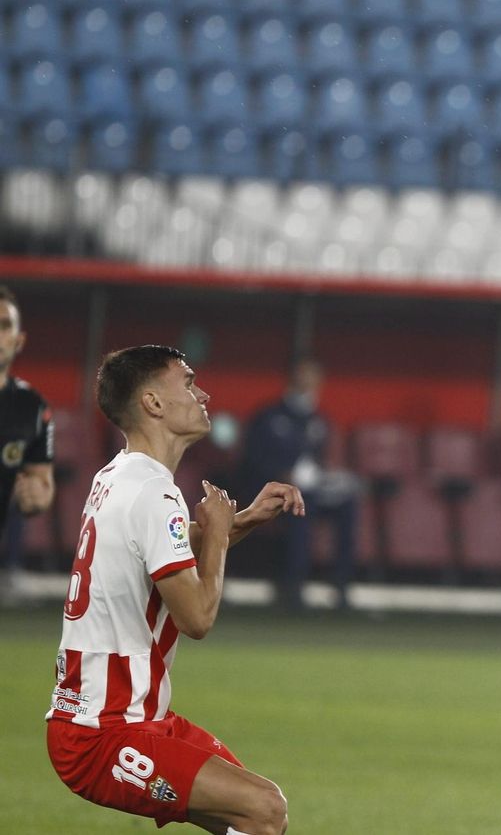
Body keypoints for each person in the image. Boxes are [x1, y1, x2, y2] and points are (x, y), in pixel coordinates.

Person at [46, 345, 305, 833]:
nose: (202, 392)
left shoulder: (119, 475)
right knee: (263, 808)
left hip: (129, 718)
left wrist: (239, 520)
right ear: (153, 403)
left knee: (255, 818)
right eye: (187, 383)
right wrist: (221, 532)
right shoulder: (153, 491)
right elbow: (197, 617)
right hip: (102, 732)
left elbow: (175, 550)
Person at [238, 358, 359, 610]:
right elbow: (251, 460)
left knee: (347, 503)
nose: (309, 384)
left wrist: (329, 475)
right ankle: (294, 585)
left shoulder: (319, 420)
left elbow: (319, 459)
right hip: (271, 492)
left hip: (311, 489)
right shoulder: (268, 416)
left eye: (313, 378)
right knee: (303, 504)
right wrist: (282, 475)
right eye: (304, 377)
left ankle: (342, 585)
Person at [0, 286, 55, 565]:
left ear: (18, 341)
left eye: (5, 326)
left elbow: (42, 483)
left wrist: (37, 496)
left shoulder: (33, 409)